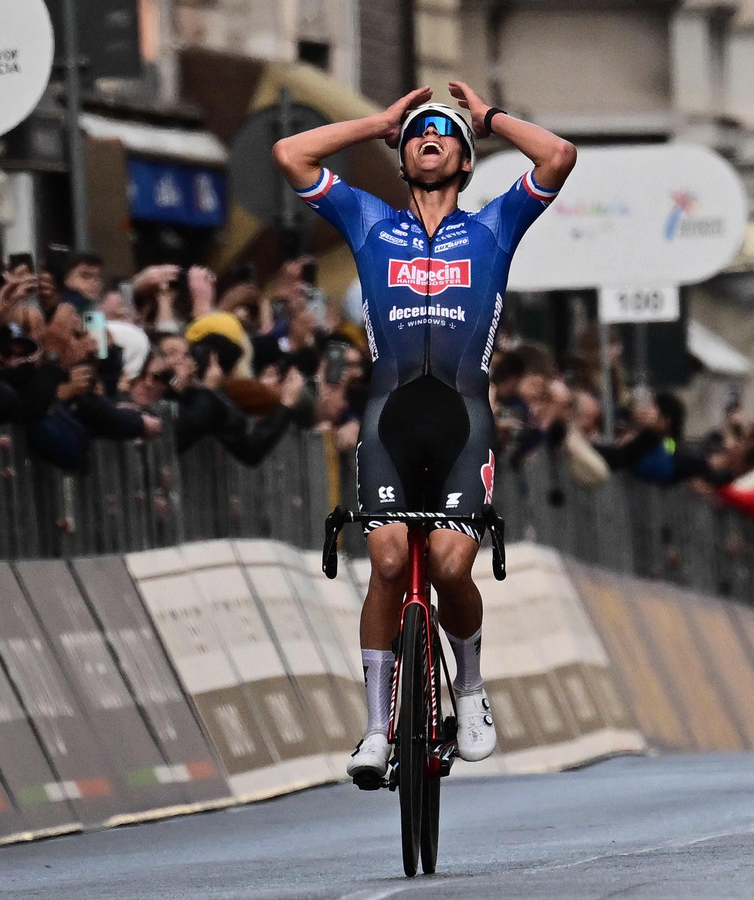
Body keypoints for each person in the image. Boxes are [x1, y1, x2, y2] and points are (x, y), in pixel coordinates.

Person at [274, 81, 575, 784]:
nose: (427, 137)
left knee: (446, 567)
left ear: (467, 160)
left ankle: (469, 689)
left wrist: (492, 117)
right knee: (384, 563)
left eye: (443, 132)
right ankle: (376, 730)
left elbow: (558, 156)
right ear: (401, 155)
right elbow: (289, 153)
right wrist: (374, 122)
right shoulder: (371, 222)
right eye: (414, 133)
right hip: (390, 419)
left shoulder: (495, 226)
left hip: (464, 420)